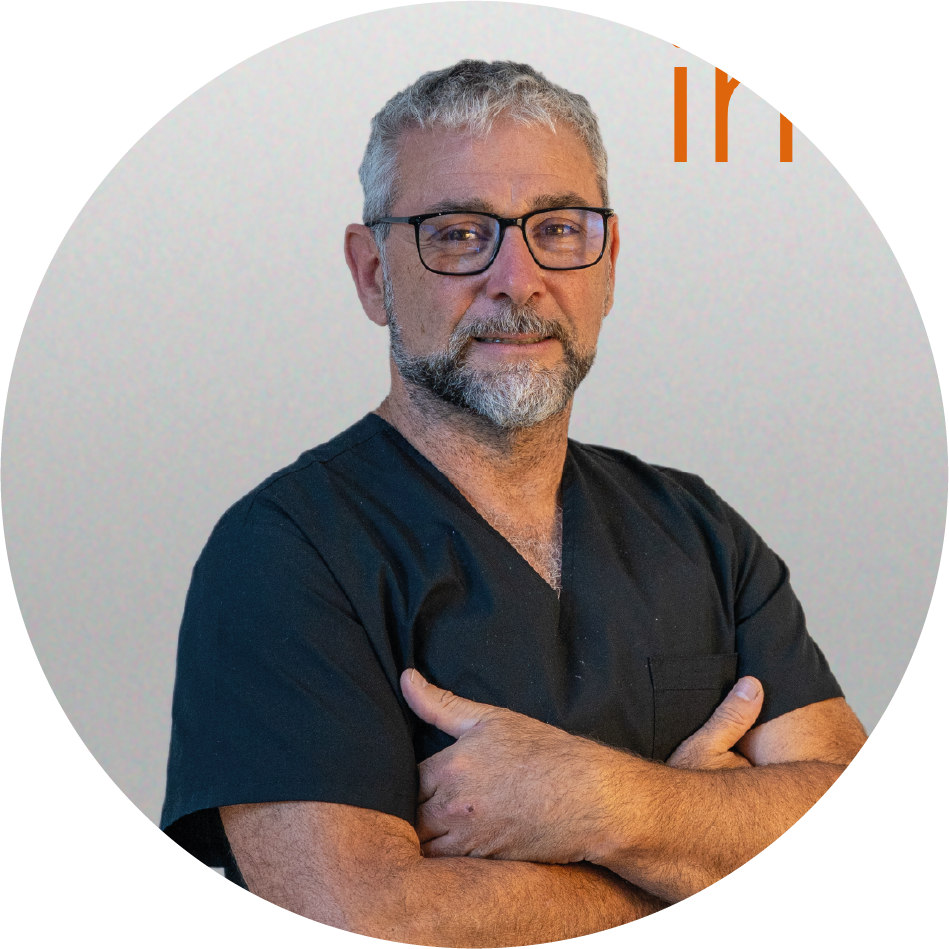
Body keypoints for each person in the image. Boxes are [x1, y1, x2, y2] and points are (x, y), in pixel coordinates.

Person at [160, 60, 866, 947]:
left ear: (607, 265)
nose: (517, 279)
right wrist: (708, 851)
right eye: (459, 234)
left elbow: (862, 838)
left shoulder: (700, 533)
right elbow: (362, 919)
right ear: (373, 273)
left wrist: (598, 801)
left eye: (558, 230)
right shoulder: (284, 556)